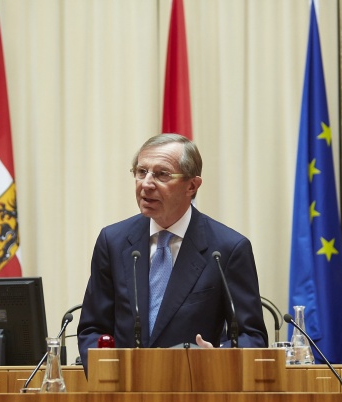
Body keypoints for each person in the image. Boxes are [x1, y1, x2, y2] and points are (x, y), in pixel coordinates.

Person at [77, 134, 269, 375]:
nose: (146, 183)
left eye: (161, 174)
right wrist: (108, 372)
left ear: (192, 186)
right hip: (124, 393)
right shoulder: (113, 241)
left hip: (195, 393)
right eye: (141, 171)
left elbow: (252, 337)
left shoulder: (228, 249)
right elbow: (92, 329)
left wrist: (219, 358)